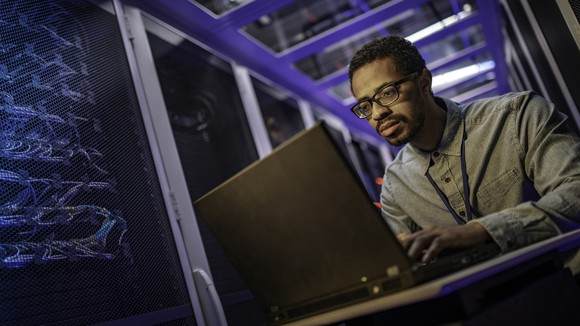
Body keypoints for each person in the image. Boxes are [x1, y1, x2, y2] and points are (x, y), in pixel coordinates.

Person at [347, 36, 580, 274]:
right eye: (365, 105)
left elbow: (575, 192)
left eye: (387, 93)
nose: (377, 113)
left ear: (424, 82)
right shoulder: (396, 185)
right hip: (490, 308)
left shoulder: (516, 116)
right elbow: (395, 267)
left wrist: (481, 232)